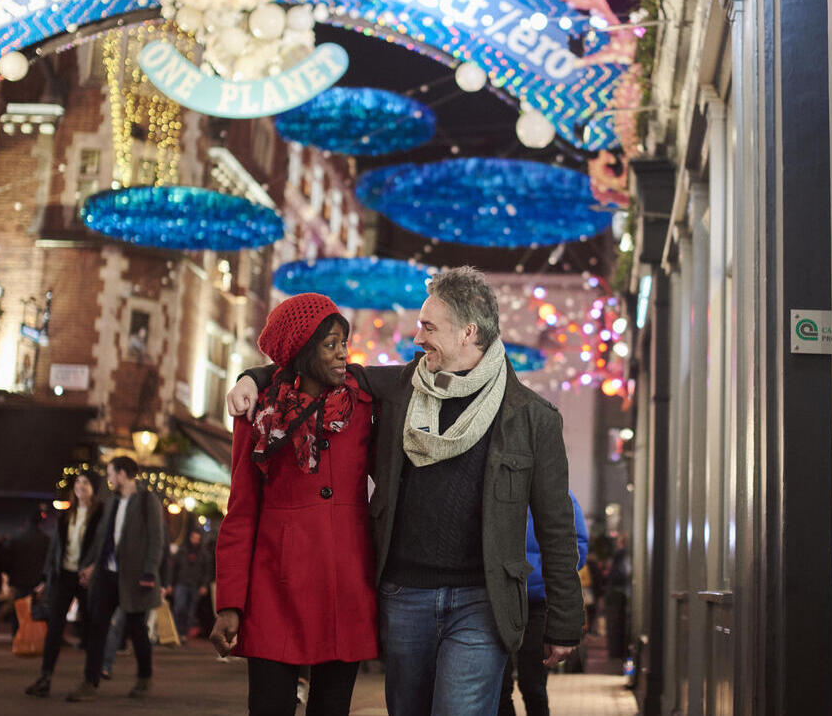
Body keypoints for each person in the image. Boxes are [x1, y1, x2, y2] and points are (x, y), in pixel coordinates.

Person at [228, 268, 585, 715]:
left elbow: (556, 526)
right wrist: (252, 377)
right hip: (404, 596)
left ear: (468, 332)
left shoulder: (533, 417)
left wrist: (566, 621)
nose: (417, 338)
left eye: (429, 327)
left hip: (482, 600)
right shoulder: (398, 388)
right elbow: (312, 364)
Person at [209, 293, 377, 716]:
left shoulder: (363, 405)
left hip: (345, 583)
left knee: (332, 709)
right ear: (303, 350)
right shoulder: (258, 413)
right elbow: (241, 510)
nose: (344, 354)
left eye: (344, 342)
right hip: (274, 586)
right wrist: (230, 603)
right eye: (331, 344)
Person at [66, 456, 163, 702]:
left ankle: (144, 678)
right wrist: (90, 565)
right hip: (107, 575)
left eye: (111, 473)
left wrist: (149, 572)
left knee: (137, 629)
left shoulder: (146, 500)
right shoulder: (111, 503)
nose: (109, 479)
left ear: (122, 474)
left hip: (134, 577)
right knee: (97, 626)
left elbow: (155, 539)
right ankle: (90, 681)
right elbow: (102, 538)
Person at [498, 494, 589, 716]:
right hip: (499, 601)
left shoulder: (560, 495)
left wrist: (536, 576)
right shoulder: (499, 487)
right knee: (499, 687)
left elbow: (577, 547)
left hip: (536, 602)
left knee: (533, 684)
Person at [25, 473, 102, 698]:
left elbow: (104, 546)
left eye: (85, 483)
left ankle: (90, 679)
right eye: (77, 482)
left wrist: (94, 567)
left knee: (90, 628)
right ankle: (45, 677)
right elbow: (55, 548)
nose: (80, 486)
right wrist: (44, 577)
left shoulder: (100, 514)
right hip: (63, 575)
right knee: (54, 628)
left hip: (87, 577)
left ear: (93, 488)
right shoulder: (66, 513)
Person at [166, 528, 210, 640]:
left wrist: (204, 585)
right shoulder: (182, 551)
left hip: (195, 585)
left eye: (197, 538)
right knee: (179, 608)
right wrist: (170, 584)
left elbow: (207, 570)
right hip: (181, 583)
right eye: (194, 538)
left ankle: (183, 634)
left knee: (190, 611)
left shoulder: (203, 554)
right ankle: (176, 632)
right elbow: (174, 568)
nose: (195, 540)